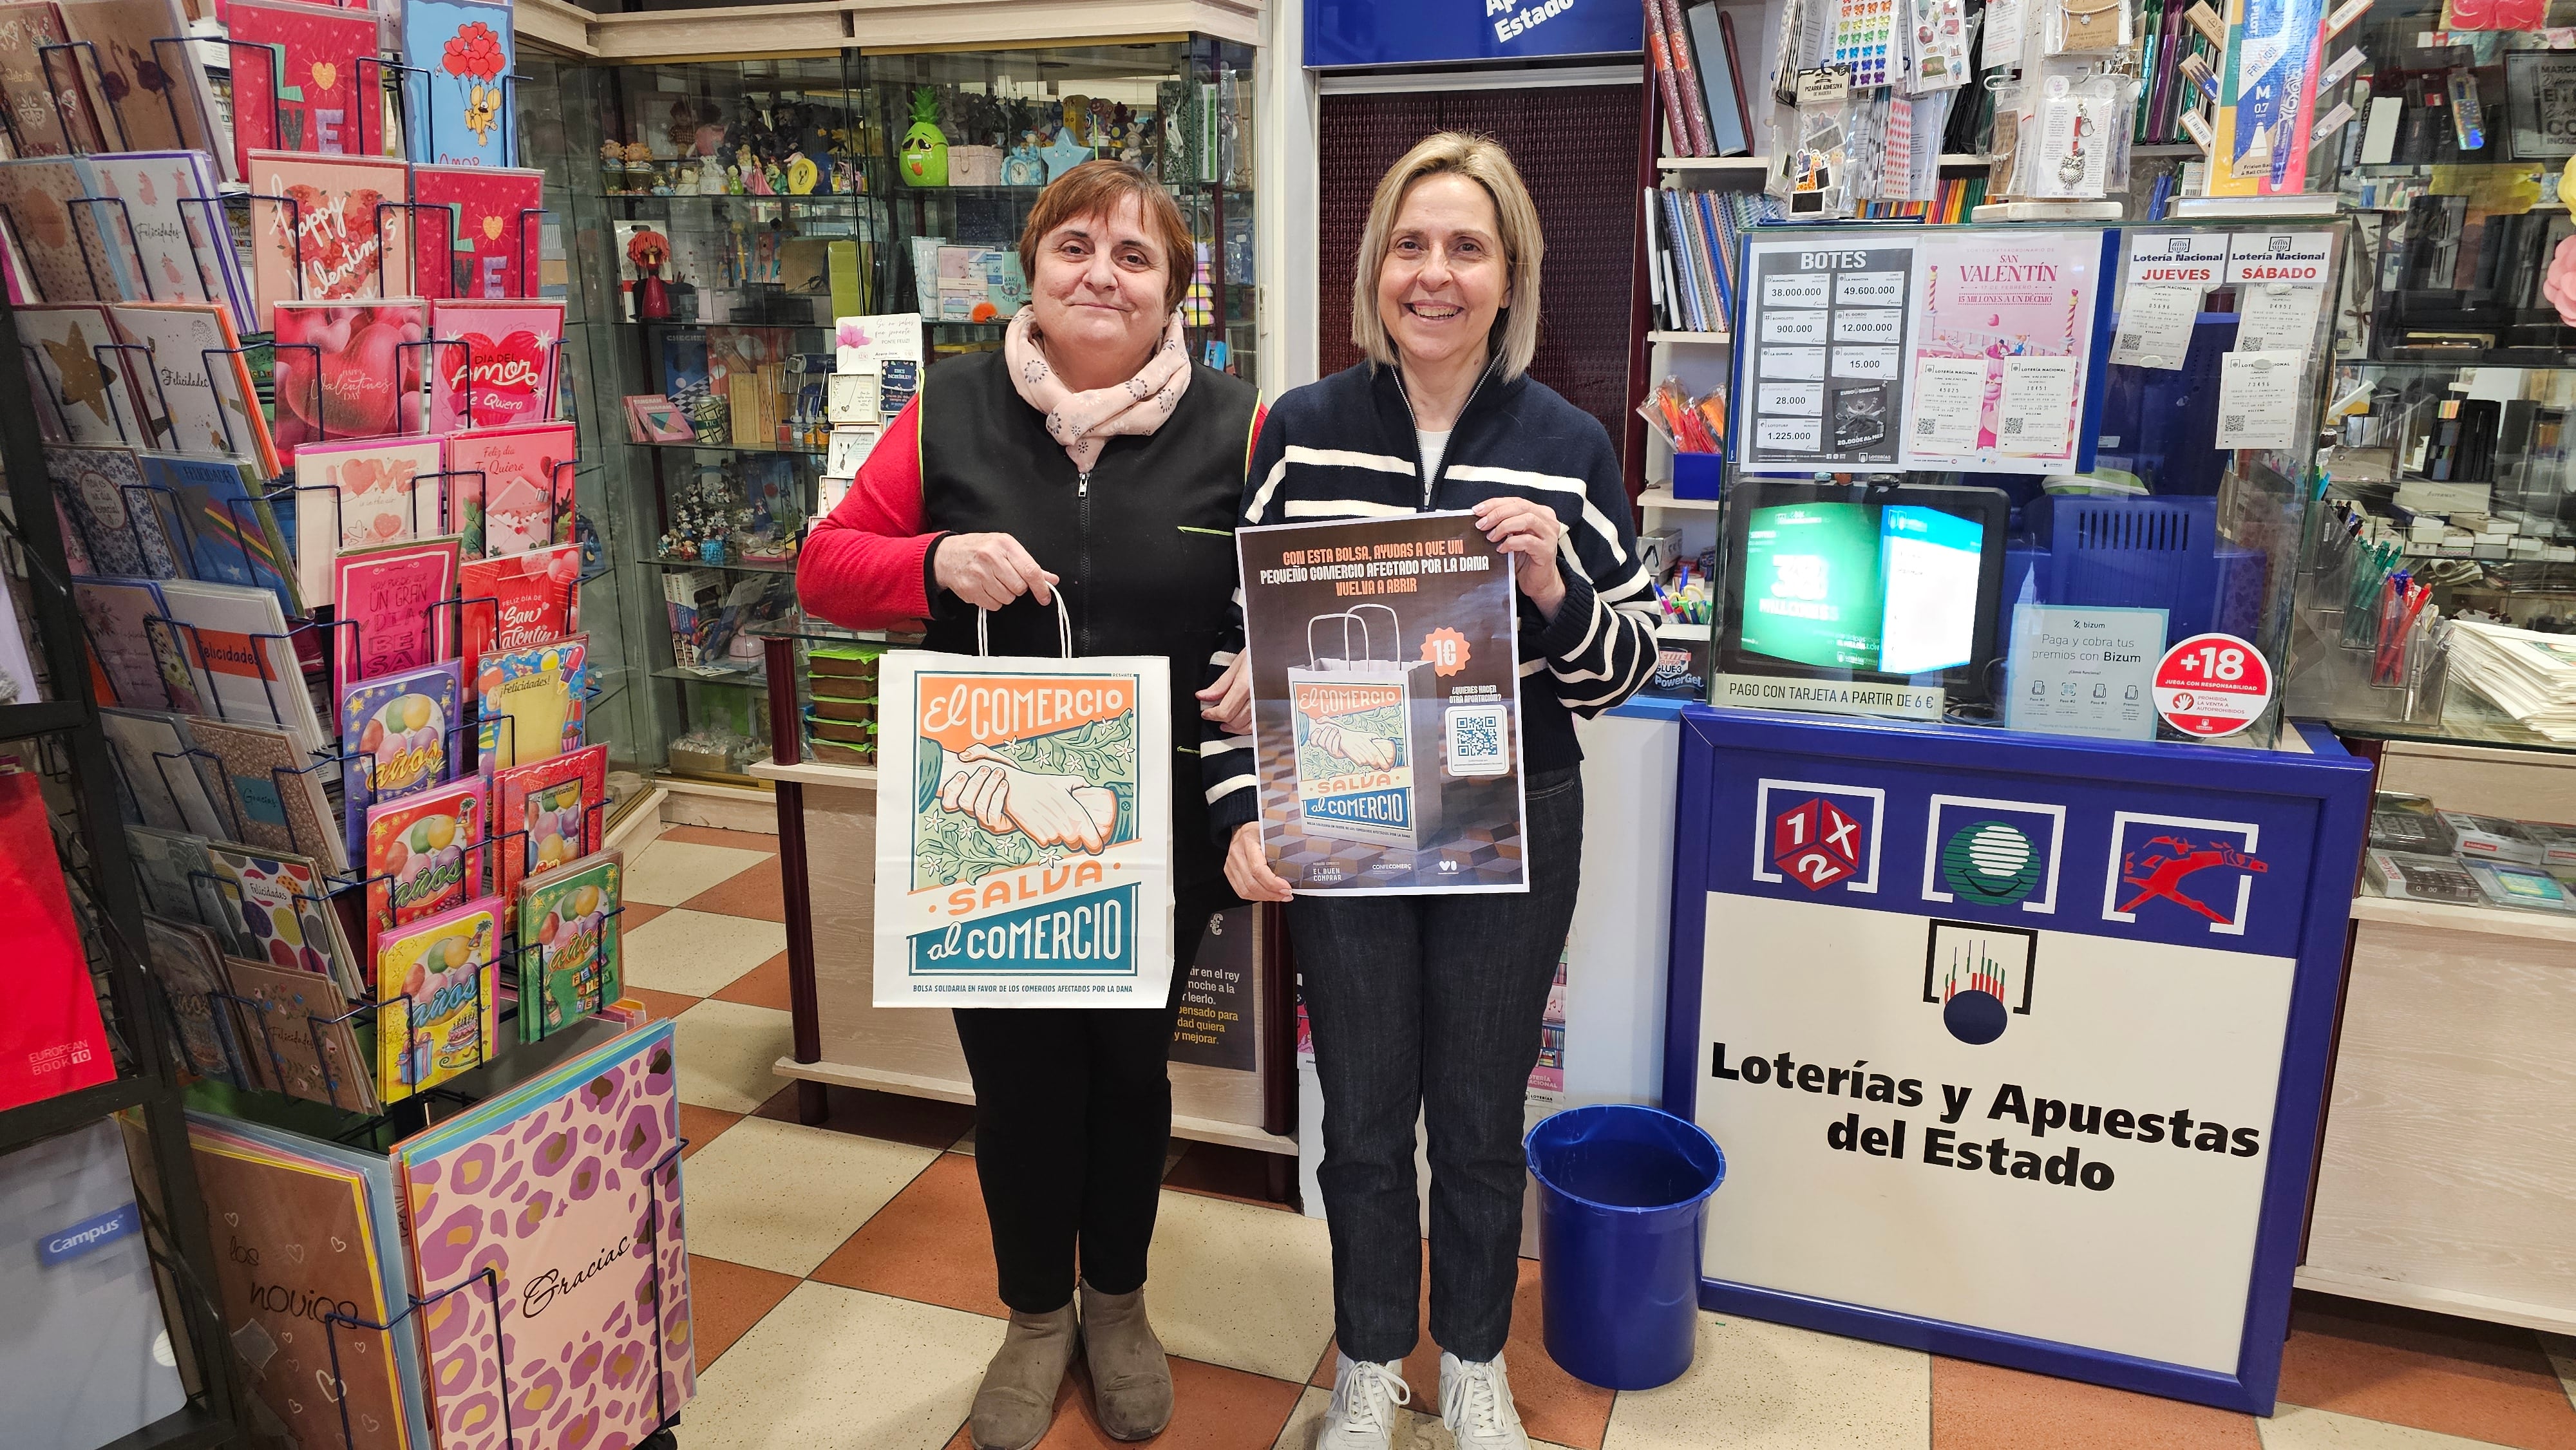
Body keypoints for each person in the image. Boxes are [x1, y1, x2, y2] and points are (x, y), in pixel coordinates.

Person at [1197, 133, 1659, 1449]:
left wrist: (1556, 584)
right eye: (1410, 245)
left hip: (1511, 822)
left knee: (1473, 1106)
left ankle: (1467, 1358)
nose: (1434, 273)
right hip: (1342, 812)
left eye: (1465, 246)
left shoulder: (1567, 446)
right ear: (1373, 270)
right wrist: (1240, 802)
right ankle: (1362, 1360)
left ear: (1508, 276)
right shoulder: (1300, 430)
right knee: (1358, 1106)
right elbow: (1235, 642)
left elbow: (1622, 665)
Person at [796, 158, 1260, 1450]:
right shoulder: (949, 409)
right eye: (1074, 249)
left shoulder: (1240, 425)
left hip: (1156, 824)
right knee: (1015, 1084)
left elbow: (1290, 600)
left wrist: (1261, 672)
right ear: (1030, 268)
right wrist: (932, 559)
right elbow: (825, 567)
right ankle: (1032, 1316)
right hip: (984, 818)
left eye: (1133, 257)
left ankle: (1116, 1305)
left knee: (1127, 1074)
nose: (1100, 276)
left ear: (1174, 293)